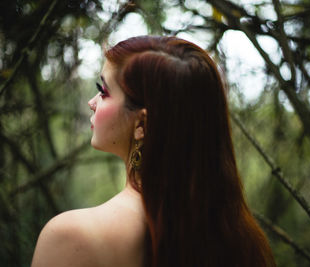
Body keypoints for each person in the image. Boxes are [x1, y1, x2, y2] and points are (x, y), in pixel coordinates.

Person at [31, 35, 276, 267]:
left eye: (103, 91)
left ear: (142, 125)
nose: (91, 102)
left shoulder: (71, 237)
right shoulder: (240, 242)